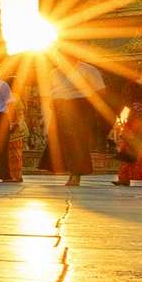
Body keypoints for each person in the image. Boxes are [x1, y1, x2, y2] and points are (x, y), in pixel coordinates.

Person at [42, 59, 104, 187]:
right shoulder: (55, 72)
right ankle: (66, 169)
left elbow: (100, 90)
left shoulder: (88, 69)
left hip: (79, 105)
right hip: (59, 106)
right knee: (58, 140)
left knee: (76, 141)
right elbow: (51, 91)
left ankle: (76, 174)